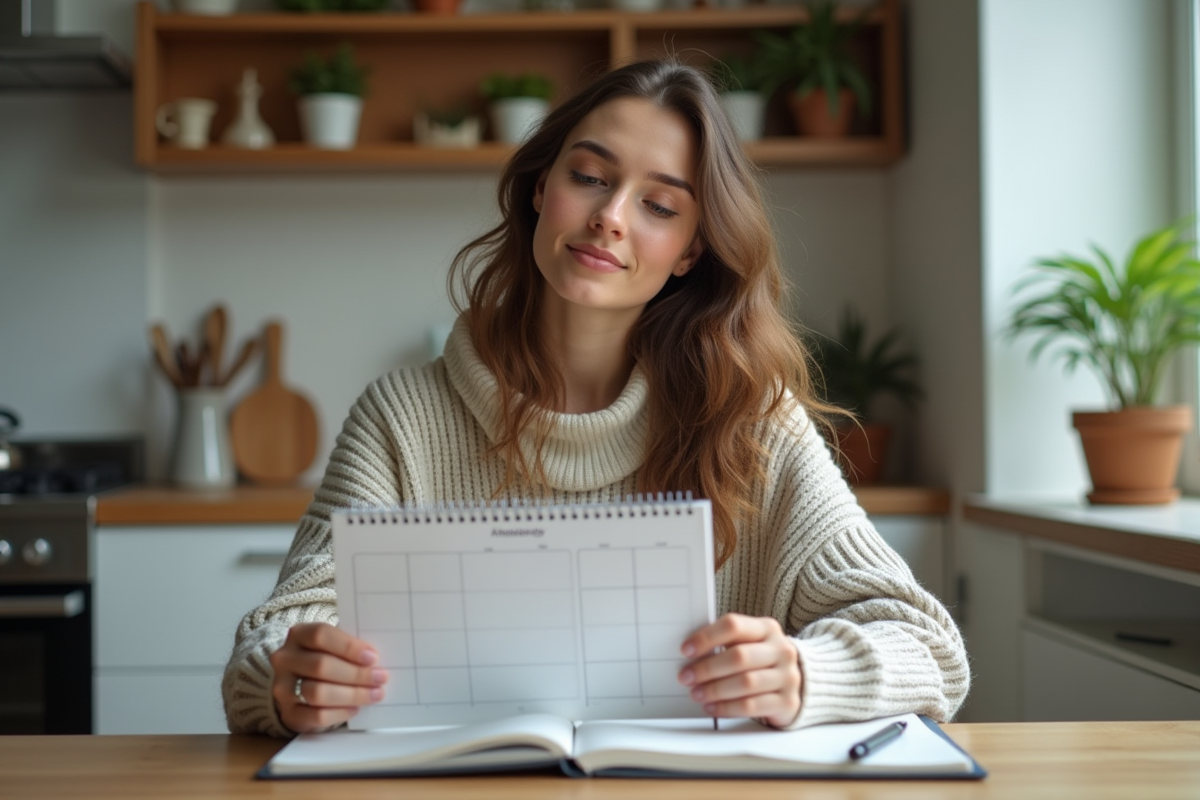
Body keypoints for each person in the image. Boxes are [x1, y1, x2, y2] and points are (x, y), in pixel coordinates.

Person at [222, 59, 969, 738]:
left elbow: (930, 648)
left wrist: (806, 673)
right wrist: (291, 681)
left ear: (691, 252)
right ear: (542, 188)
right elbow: (273, 641)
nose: (612, 215)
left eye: (660, 205)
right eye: (590, 175)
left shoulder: (754, 423)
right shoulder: (400, 418)